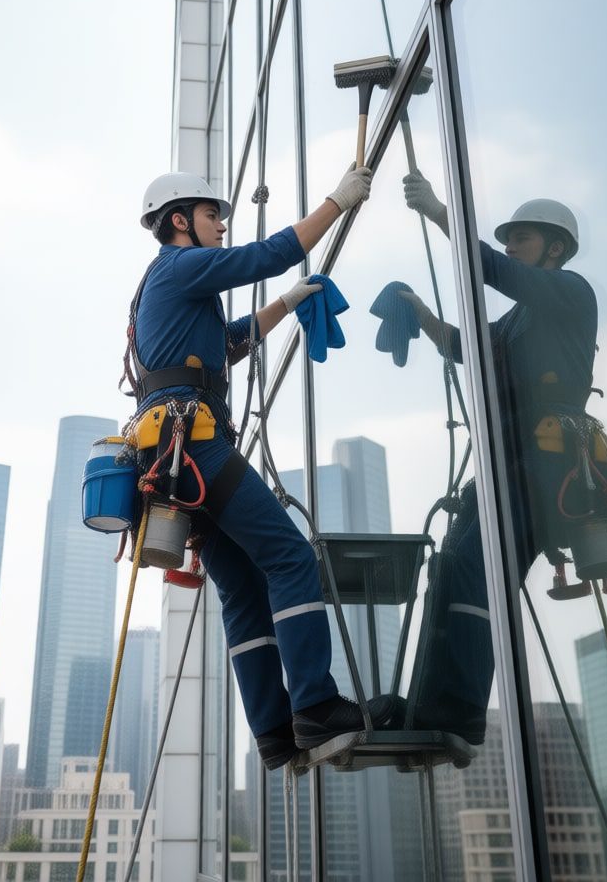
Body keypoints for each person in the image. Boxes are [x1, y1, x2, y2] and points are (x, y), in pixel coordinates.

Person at [125, 168, 393, 770]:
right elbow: (271, 253)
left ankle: (275, 731)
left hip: (171, 458)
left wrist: (288, 303)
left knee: (244, 589)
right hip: (194, 448)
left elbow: (231, 341)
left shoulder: (168, 289)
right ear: (178, 221)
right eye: (210, 214)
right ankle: (316, 706)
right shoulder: (179, 266)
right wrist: (336, 202)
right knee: (290, 558)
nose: (221, 223)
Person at [398, 170, 598, 744]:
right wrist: (420, 313)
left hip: (543, 467)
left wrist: (441, 213)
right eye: (508, 238)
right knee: (453, 568)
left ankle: (457, 709)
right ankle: (429, 704)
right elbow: (469, 346)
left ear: (555, 249)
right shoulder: (519, 319)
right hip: (507, 464)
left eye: (523, 239)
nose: (511, 246)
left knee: (477, 572)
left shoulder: (569, 293)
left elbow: (493, 269)